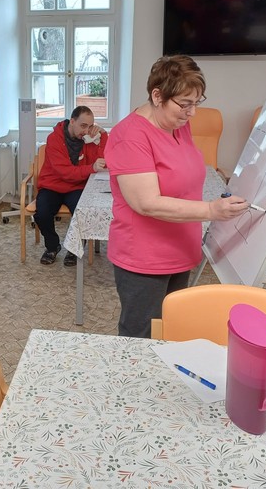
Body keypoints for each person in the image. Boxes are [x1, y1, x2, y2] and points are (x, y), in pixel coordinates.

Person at [105, 55, 249, 338]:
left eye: (197, 102)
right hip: (145, 258)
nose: (192, 112)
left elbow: (184, 178)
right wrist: (211, 210)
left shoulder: (178, 124)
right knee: (140, 338)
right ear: (157, 96)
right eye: (185, 104)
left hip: (180, 250)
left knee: (169, 332)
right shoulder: (130, 136)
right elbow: (146, 203)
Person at [35, 106, 108, 266]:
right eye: (83, 126)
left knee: (82, 212)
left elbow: (103, 160)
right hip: (52, 185)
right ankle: (52, 246)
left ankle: (74, 248)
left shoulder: (87, 138)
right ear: (72, 121)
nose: (86, 130)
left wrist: (103, 135)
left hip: (76, 186)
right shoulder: (54, 139)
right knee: (42, 213)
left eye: (90, 126)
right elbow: (65, 172)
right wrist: (91, 168)